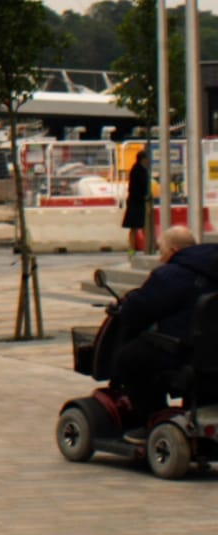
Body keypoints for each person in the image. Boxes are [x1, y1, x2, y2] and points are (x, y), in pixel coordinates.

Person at [108, 226, 218, 436]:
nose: (160, 258)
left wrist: (127, 305)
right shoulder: (211, 268)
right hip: (211, 352)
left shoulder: (172, 274)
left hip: (184, 350)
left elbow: (138, 310)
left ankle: (151, 419)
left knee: (129, 359)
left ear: (174, 251)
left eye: (162, 251)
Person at [122, 150, 150, 253]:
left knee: (134, 227)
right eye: (147, 159)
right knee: (142, 226)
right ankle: (146, 247)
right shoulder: (139, 171)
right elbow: (138, 187)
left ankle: (132, 249)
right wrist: (144, 197)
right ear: (143, 159)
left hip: (134, 202)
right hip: (137, 202)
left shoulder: (137, 169)